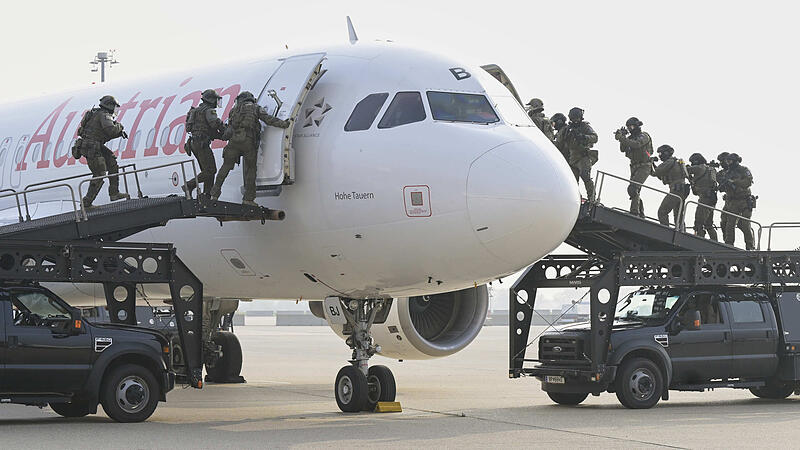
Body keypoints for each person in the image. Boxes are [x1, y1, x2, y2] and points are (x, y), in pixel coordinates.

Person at [210, 91, 290, 206]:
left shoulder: (234, 110)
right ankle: (248, 199)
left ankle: (214, 194)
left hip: (233, 142)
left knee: (225, 168)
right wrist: (283, 124)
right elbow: (268, 119)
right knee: (250, 171)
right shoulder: (255, 108)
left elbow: (229, 127)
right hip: (248, 142)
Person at [76, 95, 131, 208]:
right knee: (99, 173)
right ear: (110, 106)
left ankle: (114, 193)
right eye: (115, 107)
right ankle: (87, 203)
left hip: (94, 145)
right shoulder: (104, 116)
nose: (116, 111)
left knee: (112, 163)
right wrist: (120, 127)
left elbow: (101, 133)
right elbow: (111, 130)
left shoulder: (96, 114)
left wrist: (119, 133)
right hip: (92, 147)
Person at [185, 89, 226, 197]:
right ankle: (189, 185)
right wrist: (225, 130)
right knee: (210, 170)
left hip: (194, 144)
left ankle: (206, 194)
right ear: (211, 100)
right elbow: (214, 124)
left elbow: (197, 129)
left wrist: (220, 136)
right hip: (201, 144)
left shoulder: (196, 111)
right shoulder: (209, 111)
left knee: (207, 171)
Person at [614, 117, 653, 218]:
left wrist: (622, 138)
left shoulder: (644, 136)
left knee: (633, 188)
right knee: (634, 190)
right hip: (634, 166)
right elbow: (623, 149)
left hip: (644, 166)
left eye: (631, 126)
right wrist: (622, 136)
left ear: (636, 126)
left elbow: (636, 144)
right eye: (628, 127)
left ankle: (635, 212)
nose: (630, 129)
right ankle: (640, 213)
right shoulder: (630, 138)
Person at [719, 153, 755, 249]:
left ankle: (750, 246)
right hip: (733, 202)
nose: (728, 163)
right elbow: (723, 187)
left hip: (745, 201)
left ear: (735, 161)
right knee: (729, 225)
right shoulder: (727, 173)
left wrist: (734, 182)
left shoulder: (744, 170)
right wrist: (724, 185)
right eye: (727, 161)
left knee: (745, 224)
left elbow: (747, 182)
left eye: (730, 161)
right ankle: (729, 245)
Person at [563, 107, 598, 202]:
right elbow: (561, 142)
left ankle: (592, 199)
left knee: (585, 176)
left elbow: (595, 137)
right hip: (572, 158)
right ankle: (575, 198)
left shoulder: (585, 127)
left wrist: (583, 137)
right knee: (572, 181)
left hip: (583, 156)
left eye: (576, 119)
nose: (574, 121)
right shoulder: (567, 129)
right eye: (572, 119)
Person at [652, 145, 689, 226]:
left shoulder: (669, 162)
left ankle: (665, 232)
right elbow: (661, 175)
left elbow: (655, 173)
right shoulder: (675, 161)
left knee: (662, 212)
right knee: (678, 216)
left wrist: (649, 163)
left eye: (661, 153)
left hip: (676, 190)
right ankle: (681, 234)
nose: (659, 155)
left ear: (666, 153)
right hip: (681, 190)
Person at [687, 153, 718, 240]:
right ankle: (715, 243)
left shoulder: (699, 168)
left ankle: (699, 240)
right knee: (708, 225)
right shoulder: (711, 169)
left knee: (698, 223)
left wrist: (682, 164)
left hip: (704, 199)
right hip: (712, 198)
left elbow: (686, 170)